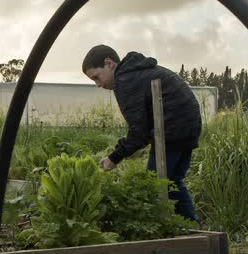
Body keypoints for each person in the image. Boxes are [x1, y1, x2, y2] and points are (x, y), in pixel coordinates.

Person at [82, 44, 201, 222]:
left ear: (109, 64)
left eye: (96, 77)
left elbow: (139, 132)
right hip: (189, 127)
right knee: (171, 181)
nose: (98, 84)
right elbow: (142, 130)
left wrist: (113, 158)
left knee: (154, 185)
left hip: (172, 130)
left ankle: (184, 231)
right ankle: (191, 229)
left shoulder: (126, 81)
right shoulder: (137, 72)